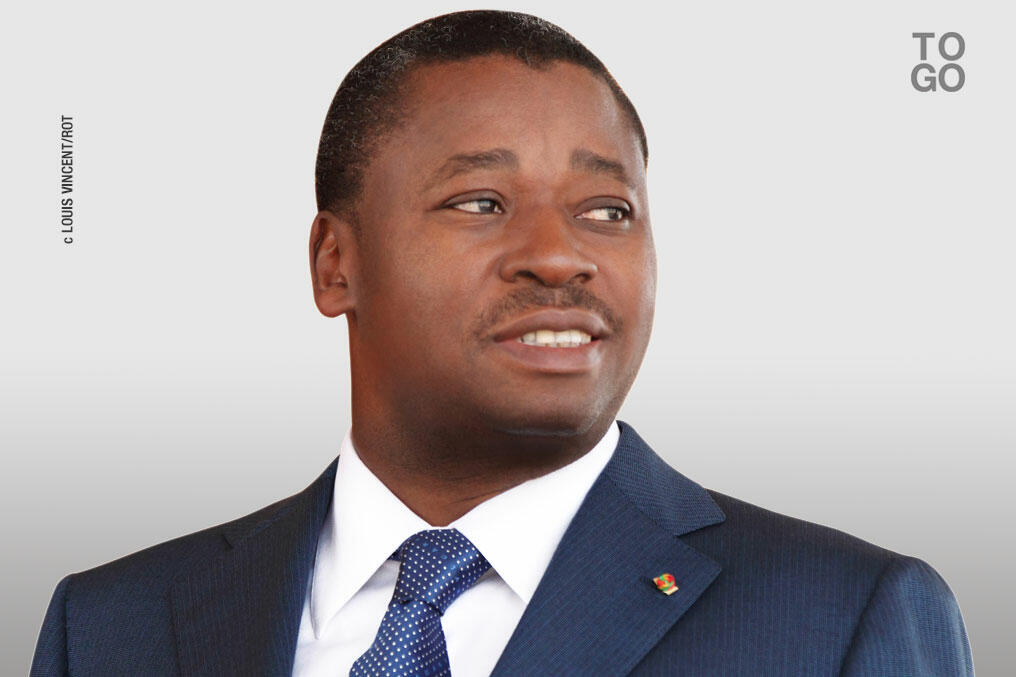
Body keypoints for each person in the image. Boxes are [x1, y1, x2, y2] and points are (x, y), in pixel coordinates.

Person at [30, 10, 973, 676]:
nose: (560, 254)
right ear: (334, 263)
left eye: (608, 210)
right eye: (481, 202)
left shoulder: (842, 618)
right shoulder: (112, 628)